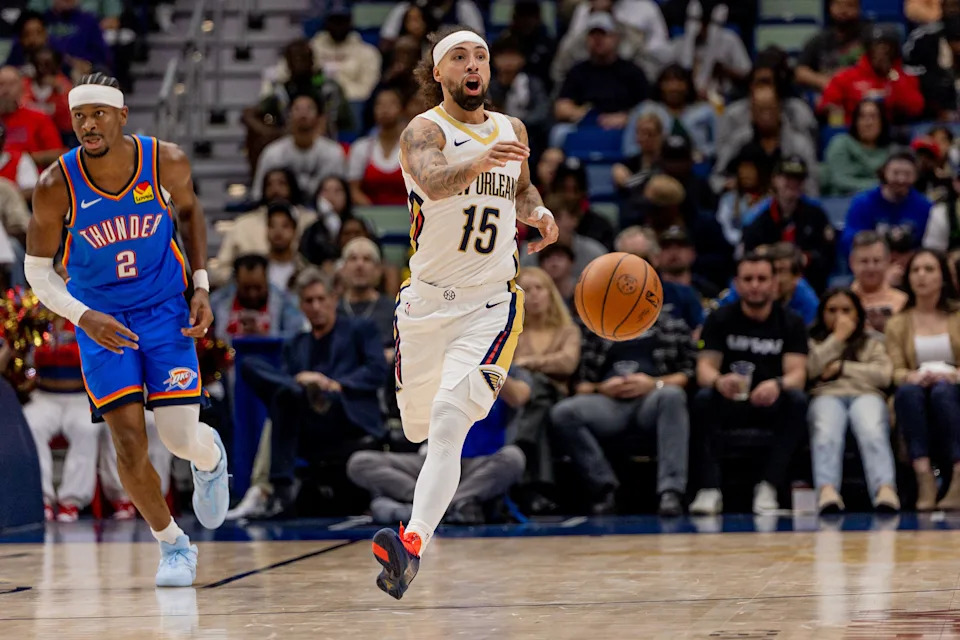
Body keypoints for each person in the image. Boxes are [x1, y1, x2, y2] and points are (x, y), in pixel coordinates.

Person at [369, 25, 559, 600]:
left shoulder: (512, 129)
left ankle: (412, 545)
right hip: (425, 305)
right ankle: (421, 519)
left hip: (491, 303)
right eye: (459, 57)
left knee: (450, 423)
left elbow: (520, 188)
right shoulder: (423, 131)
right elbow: (434, 181)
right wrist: (481, 159)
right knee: (419, 427)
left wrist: (539, 211)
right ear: (439, 74)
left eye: (480, 55)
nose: (473, 64)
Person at [25, 73, 227, 587]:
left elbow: (190, 211)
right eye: (79, 117)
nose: (88, 125)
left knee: (180, 438)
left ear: (121, 117)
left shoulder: (166, 160)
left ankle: (209, 457)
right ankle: (172, 544)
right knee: (129, 443)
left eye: (98, 114)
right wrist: (82, 316)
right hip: (103, 321)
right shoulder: (56, 185)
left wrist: (200, 286)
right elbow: (35, 271)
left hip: (164, 311)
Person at [240, 268, 388, 515]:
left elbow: (377, 370)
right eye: (309, 301)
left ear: (333, 299)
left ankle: (277, 491)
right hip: (308, 415)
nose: (316, 306)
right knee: (256, 370)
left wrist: (332, 384)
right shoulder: (296, 343)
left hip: (345, 410)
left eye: (321, 299)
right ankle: (301, 390)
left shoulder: (360, 329)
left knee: (286, 399)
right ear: (301, 305)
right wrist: (300, 381)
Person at [550, 295, 695, 517]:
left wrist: (653, 383)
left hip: (652, 400)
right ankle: (605, 488)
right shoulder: (593, 327)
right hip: (608, 403)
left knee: (673, 396)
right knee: (563, 412)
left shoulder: (670, 325)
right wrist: (602, 387)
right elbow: (579, 385)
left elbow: (688, 375)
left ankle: (671, 492)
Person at [690, 253, 809, 515]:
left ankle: (768, 486)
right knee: (701, 399)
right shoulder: (720, 319)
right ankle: (709, 489)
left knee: (797, 401)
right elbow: (704, 369)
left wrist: (777, 384)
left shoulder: (791, 322)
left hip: (770, 401)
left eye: (762, 278)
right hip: (730, 399)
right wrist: (720, 380)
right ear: (737, 284)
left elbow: (798, 375)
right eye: (748, 279)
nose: (755, 285)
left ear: (774, 283)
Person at [348, 371, 529, 526]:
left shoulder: (508, 368)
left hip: (479, 465)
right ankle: (441, 505)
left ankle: (431, 509)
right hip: (432, 460)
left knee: (514, 457)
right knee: (360, 462)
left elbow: (520, 396)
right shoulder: (439, 361)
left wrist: (483, 365)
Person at [806, 288, 899, 514]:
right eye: (832, 310)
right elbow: (810, 369)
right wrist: (837, 339)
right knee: (826, 432)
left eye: (846, 310)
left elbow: (884, 374)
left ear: (858, 313)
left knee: (872, 430)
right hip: (826, 395)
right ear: (822, 313)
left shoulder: (873, 342)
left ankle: (885, 489)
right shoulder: (811, 341)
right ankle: (827, 490)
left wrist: (842, 368)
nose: (840, 316)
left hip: (866, 395)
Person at [886, 249, 960, 511]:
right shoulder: (898, 323)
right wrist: (911, 375)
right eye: (916, 270)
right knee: (907, 392)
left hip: (954, 388)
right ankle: (924, 475)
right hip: (915, 391)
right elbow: (893, 370)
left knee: (943, 392)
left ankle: (958, 476)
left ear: (943, 276)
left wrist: (954, 374)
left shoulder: (957, 316)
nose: (922, 276)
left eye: (929, 269)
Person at [741, 156, 836, 293]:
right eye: (787, 178)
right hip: (766, 288)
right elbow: (747, 258)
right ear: (775, 180)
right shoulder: (757, 218)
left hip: (811, 285)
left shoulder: (816, 214)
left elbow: (828, 256)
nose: (792, 184)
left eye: (797, 179)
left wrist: (804, 259)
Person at [211, 167, 317, 287]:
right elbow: (221, 270)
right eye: (269, 184)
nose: (275, 189)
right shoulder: (243, 224)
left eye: (282, 183)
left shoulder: (311, 221)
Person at [552, 13, 649, 132]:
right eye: (593, 35)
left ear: (615, 38)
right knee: (559, 132)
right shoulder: (577, 71)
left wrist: (626, 118)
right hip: (585, 125)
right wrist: (584, 114)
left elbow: (647, 107)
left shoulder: (632, 71)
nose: (598, 39)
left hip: (624, 127)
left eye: (603, 34)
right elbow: (561, 107)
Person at [819, 26, 925, 125]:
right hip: (854, 133)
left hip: (893, 134)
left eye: (887, 47)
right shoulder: (846, 77)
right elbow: (825, 105)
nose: (882, 52)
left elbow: (915, 108)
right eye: (877, 46)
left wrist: (893, 77)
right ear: (868, 49)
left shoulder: (905, 78)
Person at [250, 94, 346, 203]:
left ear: (320, 119)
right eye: (297, 109)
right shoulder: (273, 153)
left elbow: (341, 195)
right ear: (288, 117)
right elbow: (257, 194)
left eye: (309, 109)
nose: (303, 114)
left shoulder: (333, 152)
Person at [841, 151, 933, 257]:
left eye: (907, 174)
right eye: (895, 173)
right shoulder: (862, 203)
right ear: (884, 172)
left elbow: (928, 246)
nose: (901, 179)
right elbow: (850, 241)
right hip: (872, 262)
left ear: (916, 176)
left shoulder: (925, 206)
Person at [209, 254, 305, 342]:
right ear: (236, 282)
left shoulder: (286, 303)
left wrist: (265, 338)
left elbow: (295, 339)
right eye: (246, 288)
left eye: (258, 288)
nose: (252, 294)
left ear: (267, 279)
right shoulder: (217, 302)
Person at [347, 87, 407, 206]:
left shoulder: (412, 148)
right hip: (370, 217)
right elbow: (353, 190)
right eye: (380, 104)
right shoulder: (361, 147)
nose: (385, 109)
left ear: (402, 110)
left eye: (391, 104)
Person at [0, 65, 65, 169]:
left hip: (31, 179)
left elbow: (58, 154)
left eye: (12, 84)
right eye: (1, 84)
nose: (6, 90)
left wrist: (24, 159)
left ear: (22, 87)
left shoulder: (39, 117)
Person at [823, 100, 891, 197]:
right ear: (855, 122)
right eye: (862, 117)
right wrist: (880, 186)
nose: (868, 123)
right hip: (841, 201)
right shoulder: (841, 143)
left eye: (873, 117)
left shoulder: (890, 151)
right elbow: (839, 181)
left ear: (882, 122)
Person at [795, 0, 866, 92]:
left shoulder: (868, 39)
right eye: (838, 5)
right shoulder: (819, 40)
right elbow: (800, 71)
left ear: (858, 9)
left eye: (850, 5)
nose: (843, 11)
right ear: (830, 7)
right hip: (827, 95)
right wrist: (823, 81)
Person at [849, 230, 908, 332]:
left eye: (876, 261)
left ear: (887, 261)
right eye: (864, 261)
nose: (871, 268)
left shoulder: (904, 302)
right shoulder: (841, 304)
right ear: (852, 263)